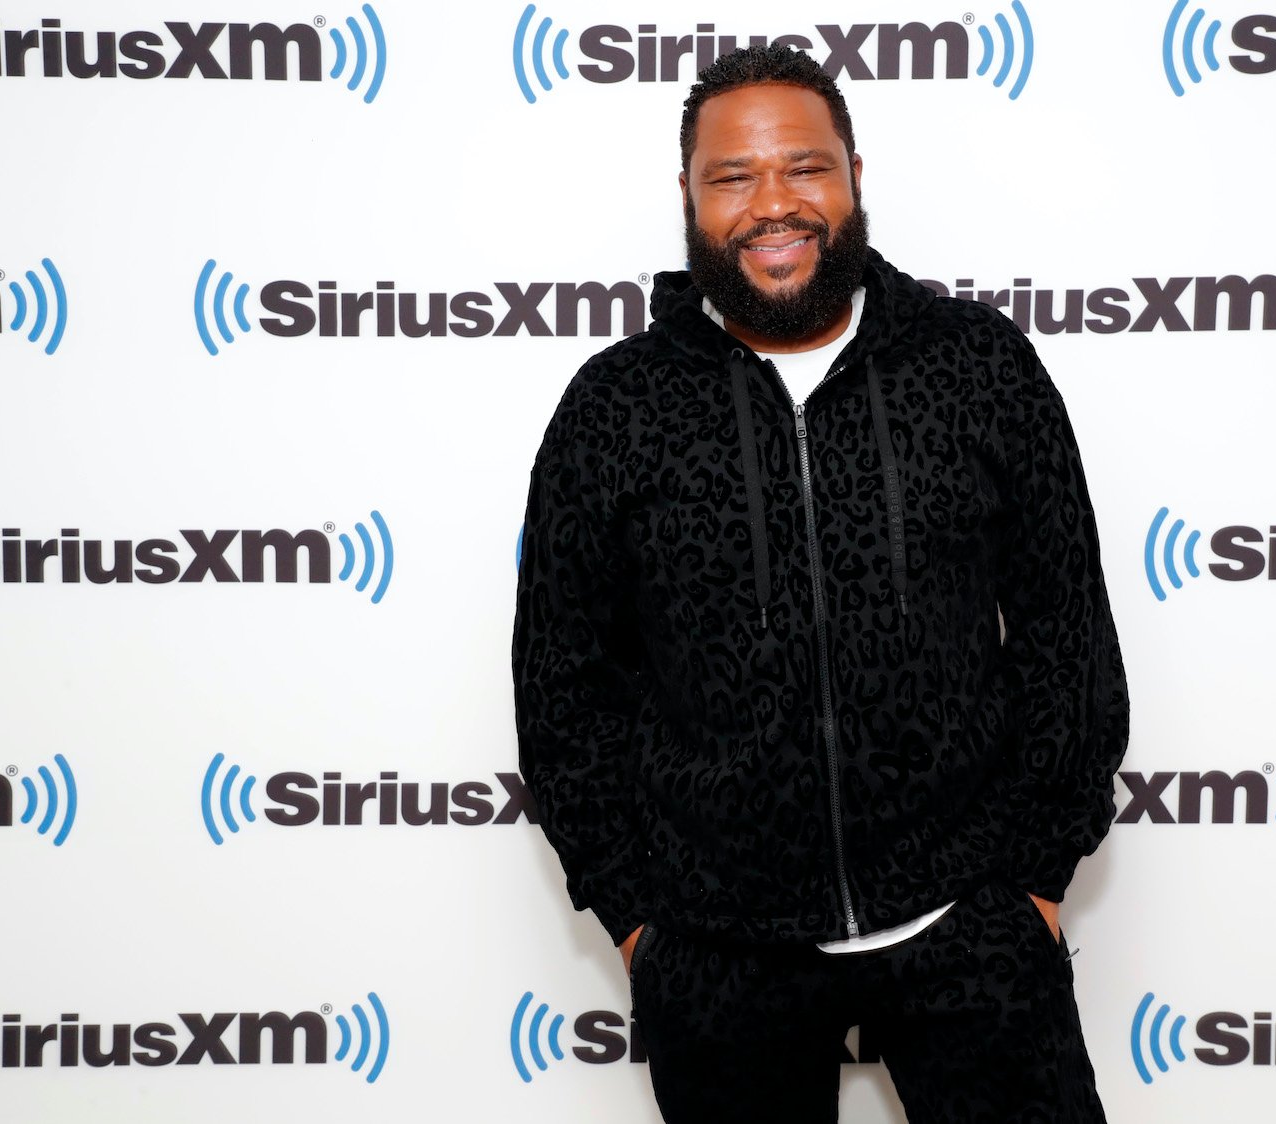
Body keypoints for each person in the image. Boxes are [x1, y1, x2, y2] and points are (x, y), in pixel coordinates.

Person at [512, 44, 1129, 1124]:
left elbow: (1064, 629)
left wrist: (1030, 875)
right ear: (690, 199)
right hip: (719, 953)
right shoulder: (615, 408)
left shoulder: (977, 366)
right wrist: (637, 917)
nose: (772, 205)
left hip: (970, 923)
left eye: (804, 168)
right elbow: (562, 685)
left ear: (852, 175)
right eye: (733, 177)